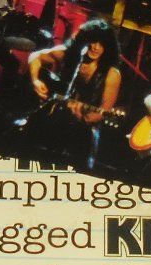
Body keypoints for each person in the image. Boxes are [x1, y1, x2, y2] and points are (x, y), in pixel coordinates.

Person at [25, 19, 122, 169]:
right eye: (92, 41)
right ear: (84, 40)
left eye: (101, 44)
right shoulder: (69, 54)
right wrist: (35, 81)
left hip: (82, 135)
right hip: (51, 120)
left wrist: (83, 117)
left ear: (108, 47)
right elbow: (35, 56)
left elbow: (103, 112)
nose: (95, 47)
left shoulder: (112, 74)